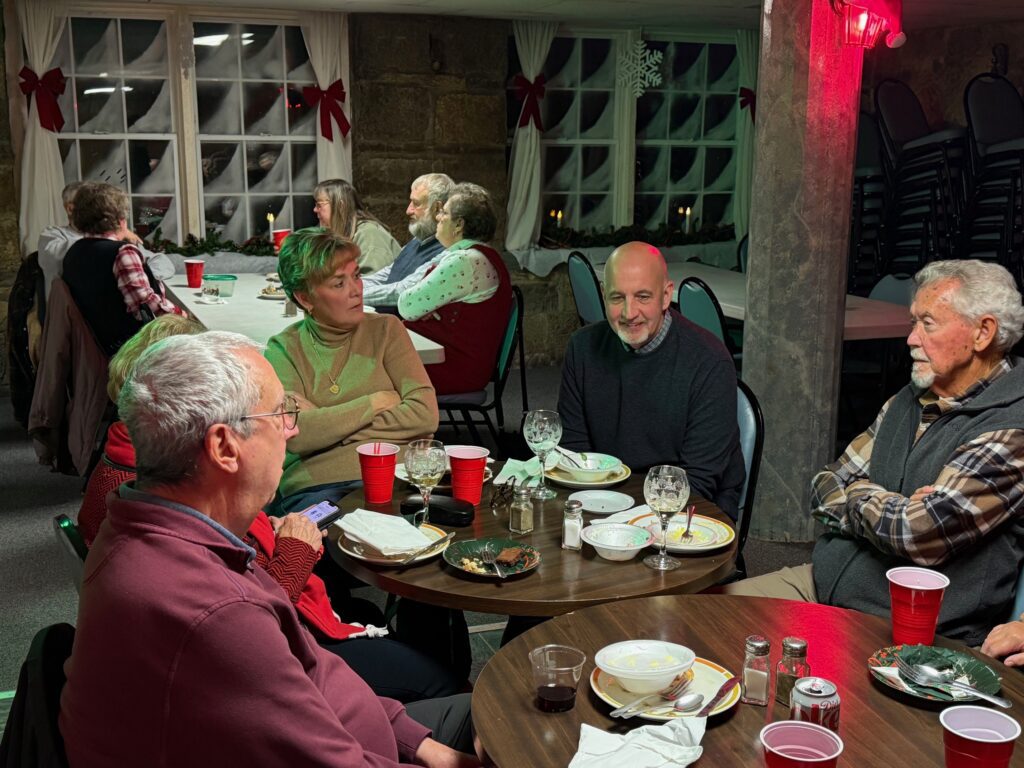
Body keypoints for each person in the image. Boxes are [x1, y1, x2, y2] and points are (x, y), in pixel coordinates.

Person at [59, 331, 481, 767]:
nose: (292, 429)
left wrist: (426, 748)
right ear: (225, 447)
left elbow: (315, 668)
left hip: (369, 733)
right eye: (280, 413)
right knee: (510, 717)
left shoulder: (166, 529)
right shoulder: (216, 610)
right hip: (359, 750)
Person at [726, 259, 1024, 648]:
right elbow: (823, 485)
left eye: (928, 323)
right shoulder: (911, 398)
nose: (911, 338)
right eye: (914, 322)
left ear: (983, 333)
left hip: (906, 628)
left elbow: (919, 532)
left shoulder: (1011, 429)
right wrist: (882, 502)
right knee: (700, 617)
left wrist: (859, 494)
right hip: (823, 582)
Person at [557, 241, 745, 518]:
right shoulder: (582, 348)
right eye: (617, 298)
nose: (629, 313)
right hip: (605, 501)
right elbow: (574, 456)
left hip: (690, 508)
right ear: (603, 295)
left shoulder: (709, 362)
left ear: (666, 296)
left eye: (643, 297)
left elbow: (699, 480)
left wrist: (627, 521)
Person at [265, 228, 438, 513]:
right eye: (339, 283)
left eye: (356, 275)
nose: (356, 289)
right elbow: (299, 435)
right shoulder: (283, 349)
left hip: (397, 476)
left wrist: (330, 428)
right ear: (305, 298)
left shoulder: (387, 330)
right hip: (319, 486)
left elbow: (425, 415)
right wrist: (376, 402)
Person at [398, 183, 513, 395]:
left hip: (455, 368)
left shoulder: (464, 262)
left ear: (459, 224)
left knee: (377, 368)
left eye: (444, 212)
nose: (438, 217)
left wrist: (428, 309)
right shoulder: (482, 255)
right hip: (463, 362)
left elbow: (406, 306)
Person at [61, 181, 182, 356]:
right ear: (121, 220)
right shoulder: (122, 252)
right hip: (132, 351)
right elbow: (145, 306)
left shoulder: (73, 252)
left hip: (94, 350)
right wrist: (183, 315)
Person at [38, 180, 174, 301]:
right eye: (88, 205)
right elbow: (78, 256)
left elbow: (160, 262)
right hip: (72, 317)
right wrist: (114, 237)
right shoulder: (53, 235)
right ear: (70, 209)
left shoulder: (119, 240)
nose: (97, 210)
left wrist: (134, 277)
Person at [363, 173, 453, 312]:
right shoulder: (417, 240)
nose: (408, 210)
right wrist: (349, 286)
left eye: (416, 204)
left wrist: (350, 295)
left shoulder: (448, 251)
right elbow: (386, 275)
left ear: (437, 208)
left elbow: (405, 291)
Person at [314, 178, 399, 276]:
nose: (315, 209)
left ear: (341, 206)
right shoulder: (340, 234)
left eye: (319, 205)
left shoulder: (369, 235)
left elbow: (374, 282)